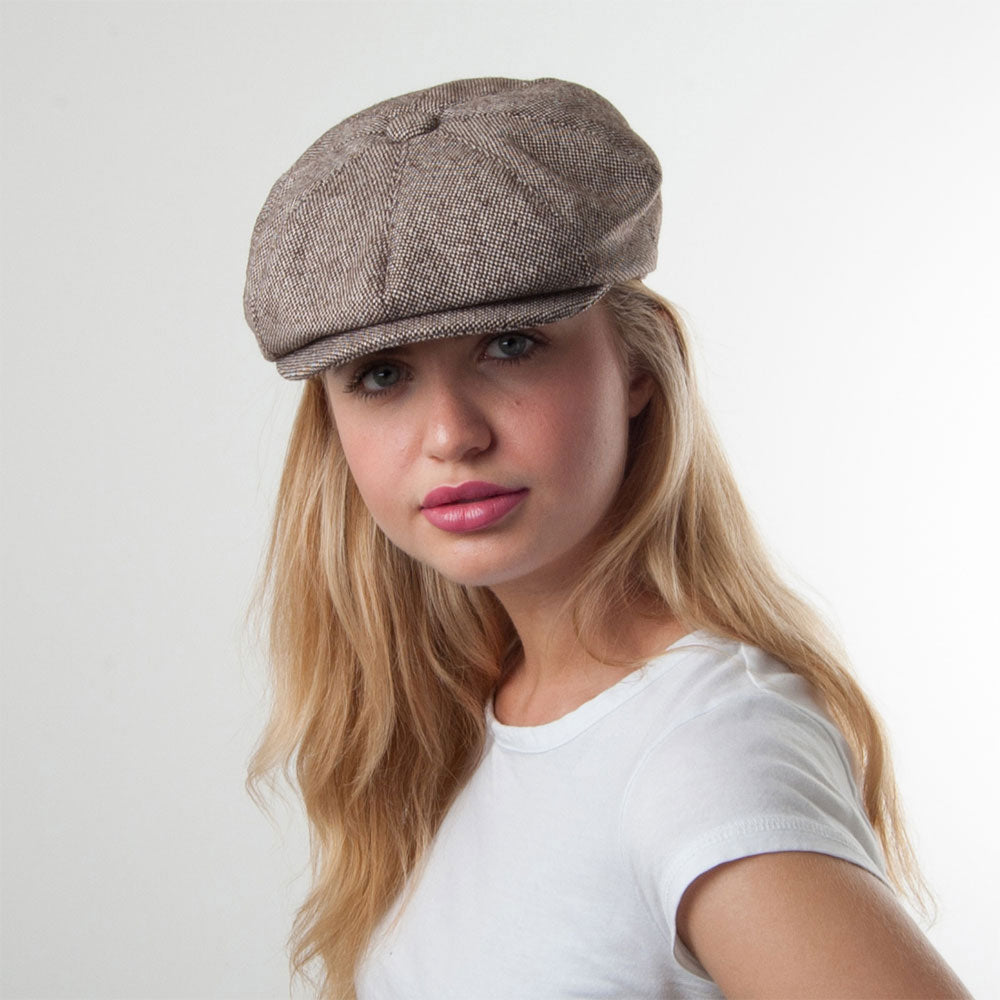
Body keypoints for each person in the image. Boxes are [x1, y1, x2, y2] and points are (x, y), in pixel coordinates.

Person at [243, 77, 970, 1000]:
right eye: (383, 376)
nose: (452, 434)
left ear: (635, 365)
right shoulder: (475, 716)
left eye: (510, 345)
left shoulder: (704, 749)